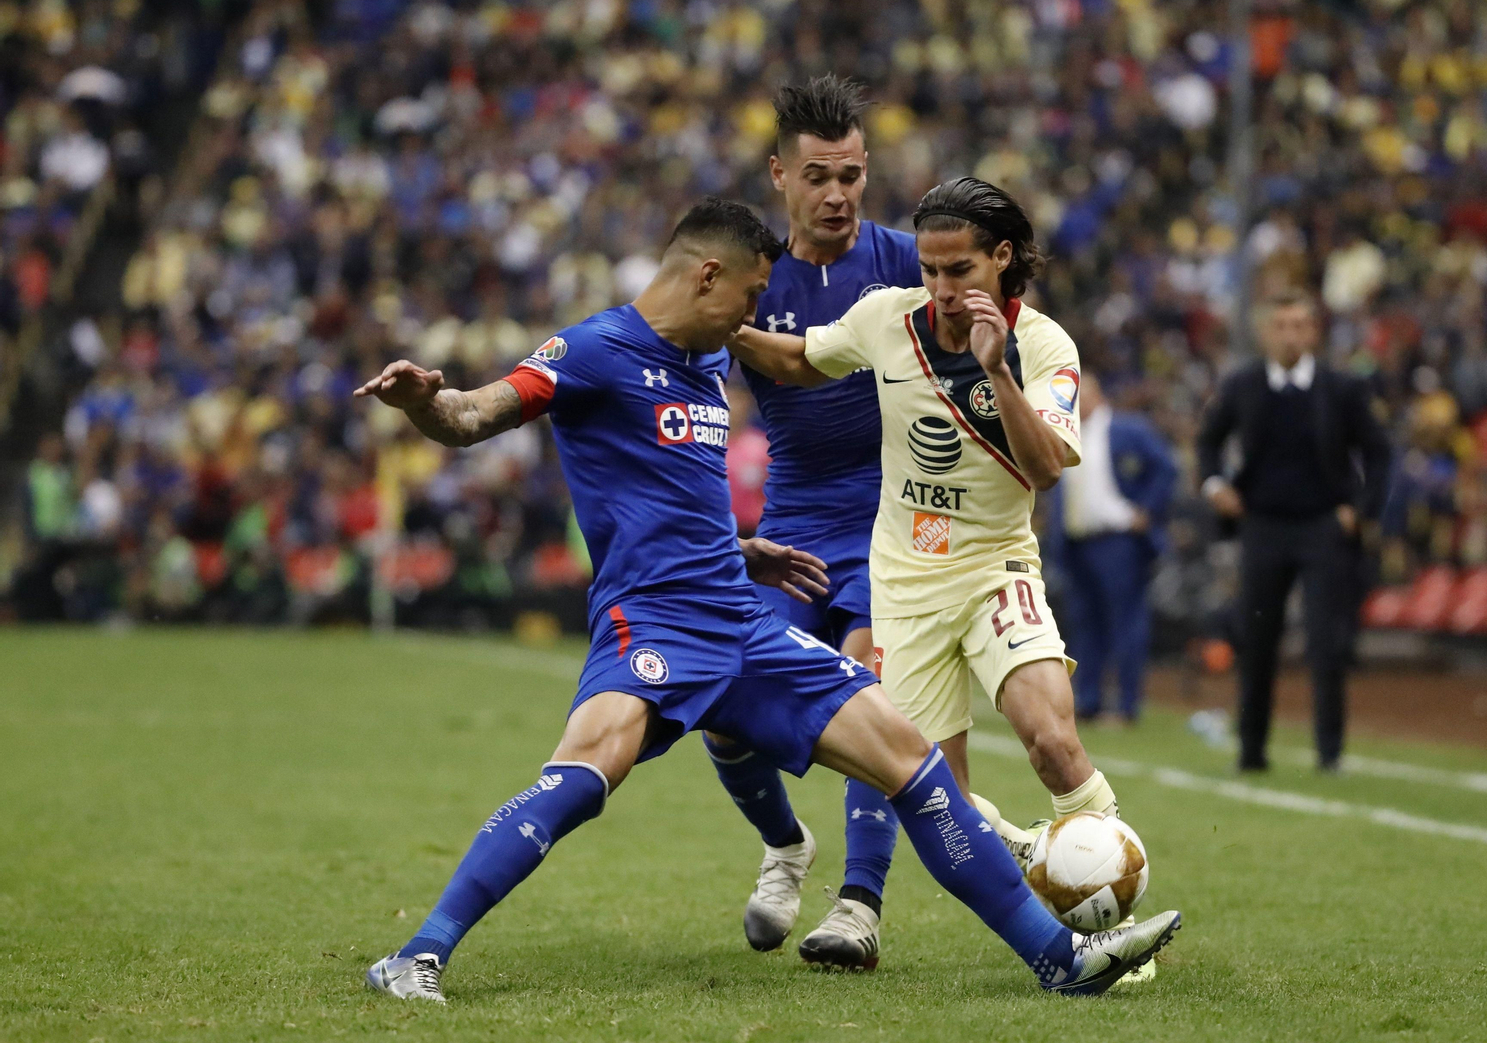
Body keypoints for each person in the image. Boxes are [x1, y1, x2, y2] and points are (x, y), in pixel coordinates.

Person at [354, 196, 1180, 1003]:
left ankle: (1057, 958)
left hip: (740, 619)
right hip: (652, 620)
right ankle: (418, 953)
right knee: (584, 774)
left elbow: (671, 490)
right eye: (751, 296)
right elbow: (472, 415)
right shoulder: (593, 350)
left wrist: (738, 549)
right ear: (709, 276)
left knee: (910, 759)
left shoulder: (708, 361)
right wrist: (426, 401)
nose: (753, 317)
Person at [731, 178, 1146, 973]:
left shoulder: (1046, 347)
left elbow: (1046, 471)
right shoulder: (889, 318)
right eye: (929, 270)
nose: (943, 289)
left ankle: (1116, 891)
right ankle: (1052, 870)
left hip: (996, 568)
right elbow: (802, 361)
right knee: (937, 798)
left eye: (960, 271)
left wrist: (995, 372)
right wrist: (726, 328)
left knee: (1054, 741)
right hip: (907, 587)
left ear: (1002, 258)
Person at [702, 75, 924, 959]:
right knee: (724, 703)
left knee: (868, 691)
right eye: (819, 176)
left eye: (853, 175)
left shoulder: (908, 260)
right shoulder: (748, 279)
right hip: (791, 527)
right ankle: (786, 844)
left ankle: (858, 908)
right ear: (780, 177)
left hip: (891, 525)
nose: (838, 194)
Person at [1196, 288, 1392, 772]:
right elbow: (1208, 440)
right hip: (1261, 525)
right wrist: (1215, 485)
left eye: (1300, 325)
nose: (1290, 335)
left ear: (1314, 332)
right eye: (1281, 325)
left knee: (1327, 644)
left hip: (1322, 526)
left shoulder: (1341, 388)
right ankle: (1252, 750)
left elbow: (1380, 451)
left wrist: (1360, 509)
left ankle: (1330, 753)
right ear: (1265, 332)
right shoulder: (1244, 384)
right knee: (1257, 639)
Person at [1044, 372, 1177, 723]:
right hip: (1076, 542)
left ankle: (1127, 704)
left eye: (1082, 393)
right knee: (1084, 624)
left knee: (1126, 622)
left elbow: (1165, 468)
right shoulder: (1063, 432)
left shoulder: (1127, 429)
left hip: (1117, 540)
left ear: (1098, 394)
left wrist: (1146, 509)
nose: (1077, 400)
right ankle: (1088, 702)